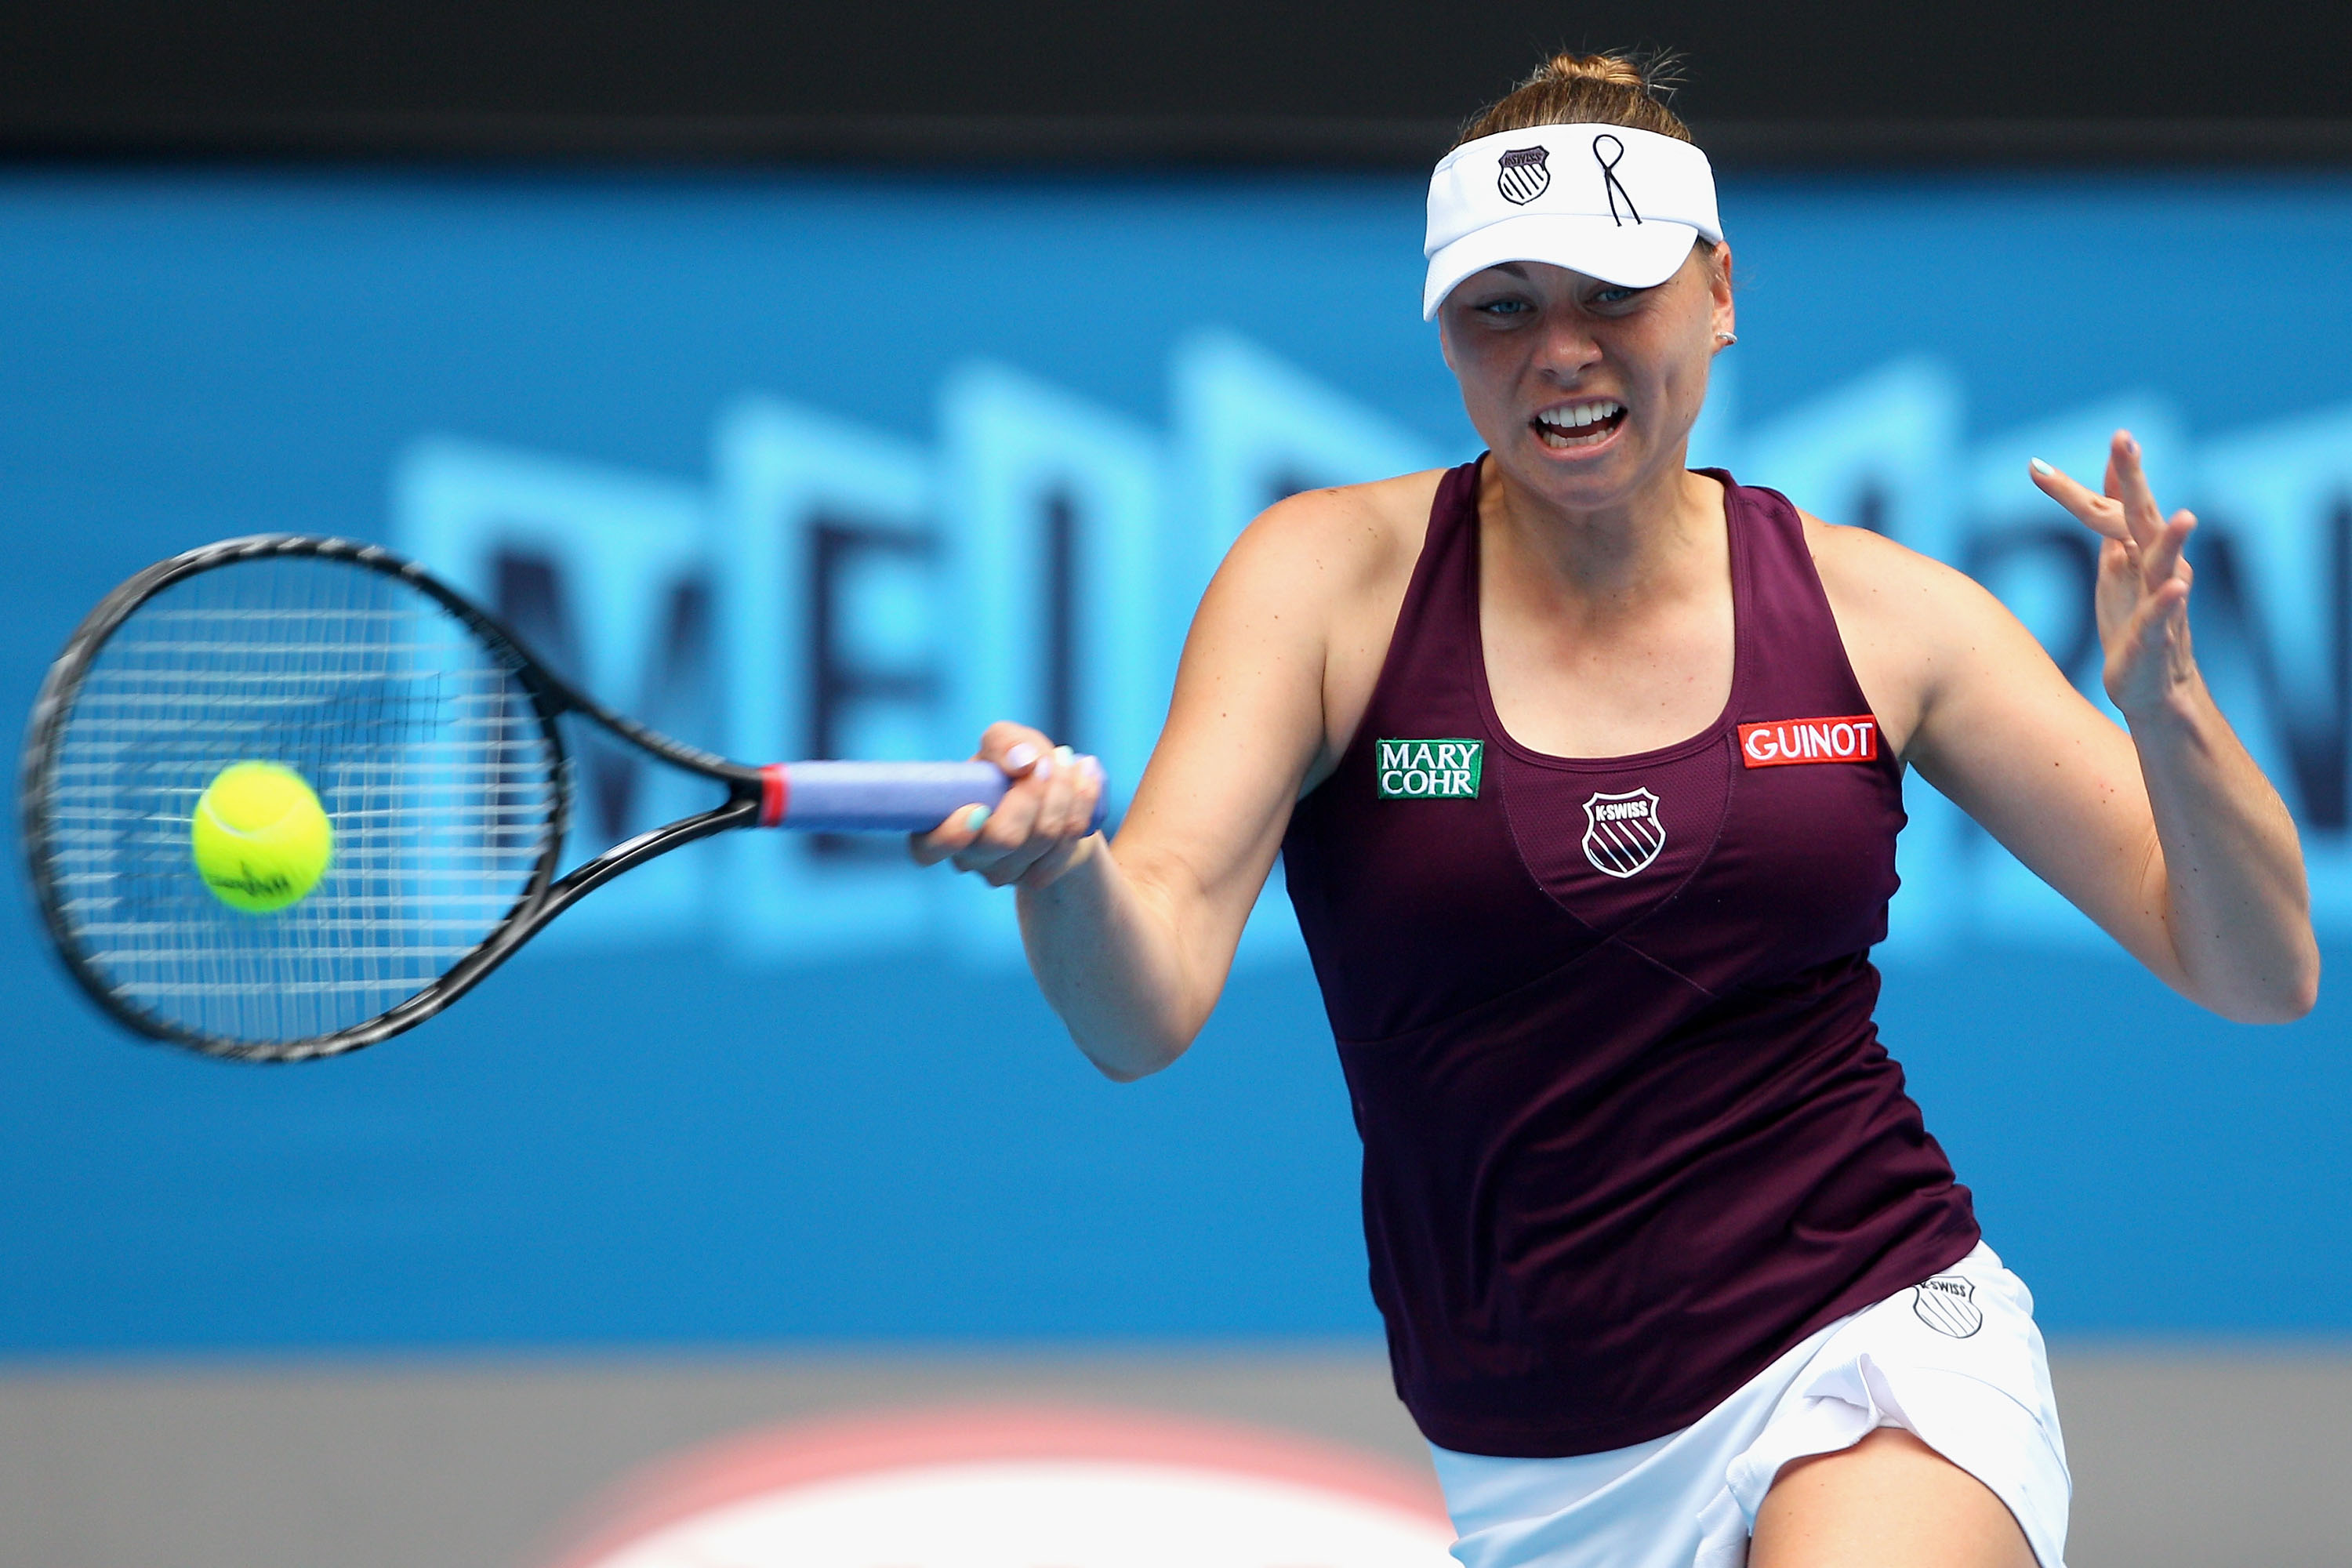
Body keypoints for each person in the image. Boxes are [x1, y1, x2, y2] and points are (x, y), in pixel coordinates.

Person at [913, 51, 2318, 1568]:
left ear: (1719, 292)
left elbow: (2255, 969)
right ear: (1447, 338)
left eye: (1612, 295)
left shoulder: (1889, 621)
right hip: (1535, 1459)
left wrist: (2165, 706)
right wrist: (1062, 871)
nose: (1560, 351)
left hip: (1873, 1336)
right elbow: (1144, 1008)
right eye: (1501, 308)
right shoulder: (1322, 586)